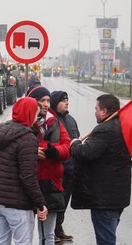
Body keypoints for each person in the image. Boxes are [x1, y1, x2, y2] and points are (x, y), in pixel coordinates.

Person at [0, 97, 48, 245]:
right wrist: (40, 203)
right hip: (17, 203)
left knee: (1, 241)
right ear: (29, 114)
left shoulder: (0, 131)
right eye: (35, 115)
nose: (36, 119)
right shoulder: (27, 138)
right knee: (23, 242)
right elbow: (28, 177)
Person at [70, 94, 132, 245]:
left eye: (96, 109)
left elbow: (84, 153)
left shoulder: (104, 130)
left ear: (104, 111)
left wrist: (74, 144)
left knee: (106, 240)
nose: (95, 112)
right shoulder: (125, 127)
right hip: (118, 197)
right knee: (108, 235)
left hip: (105, 199)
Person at [26, 86, 71, 245]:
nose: (46, 104)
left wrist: (55, 152)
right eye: (42, 101)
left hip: (51, 185)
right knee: (25, 235)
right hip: (27, 186)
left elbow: (67, 146)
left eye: (48, 101)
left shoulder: (55, 123)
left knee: (48, 236)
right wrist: (32, 151)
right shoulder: (24, 123)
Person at [50, 91, 81, 243]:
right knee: (55, 202)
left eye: (67, 100)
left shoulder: (71, 120)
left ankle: (59, 229)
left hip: (71, 170)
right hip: (57, 170)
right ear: (55, 103)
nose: (67, 103)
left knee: (64, 202)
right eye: (63, 101)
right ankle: (52, 231)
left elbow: (77, 141)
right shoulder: (51, 121)